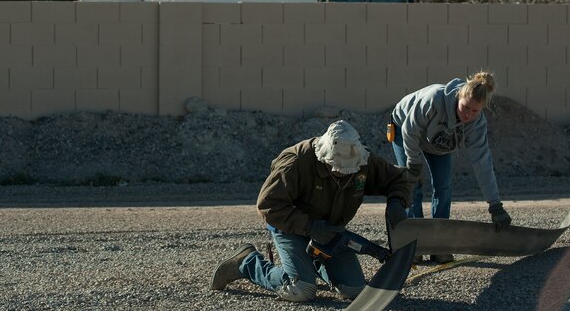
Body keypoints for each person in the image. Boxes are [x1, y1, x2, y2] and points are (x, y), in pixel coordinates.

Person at [209, 120, 411, 303]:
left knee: (356, 290)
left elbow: (398, 178)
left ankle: (311, 263)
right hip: (291, 228)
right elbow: (269, 205)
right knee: (301, 290)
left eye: (348, 170)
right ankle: (247, 262)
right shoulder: (297, 161)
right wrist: (311, 227)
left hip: (331, 233)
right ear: (325, 158)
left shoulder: (361, 159)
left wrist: (396, 200)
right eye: (338, 169)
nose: (344, 174)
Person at [390, 70, 512, 264]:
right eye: (466, 108)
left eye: (475, 111)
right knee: (413, 186)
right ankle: (414, 244)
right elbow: (409, 131)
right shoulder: (434, 100)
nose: (469, 115)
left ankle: (439, 245)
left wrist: (495, 205)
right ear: (459, 96)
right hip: (404, 129)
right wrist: (413, 162)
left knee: (444, 186)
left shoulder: (476, 123)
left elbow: (482, 163)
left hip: (438, 138)